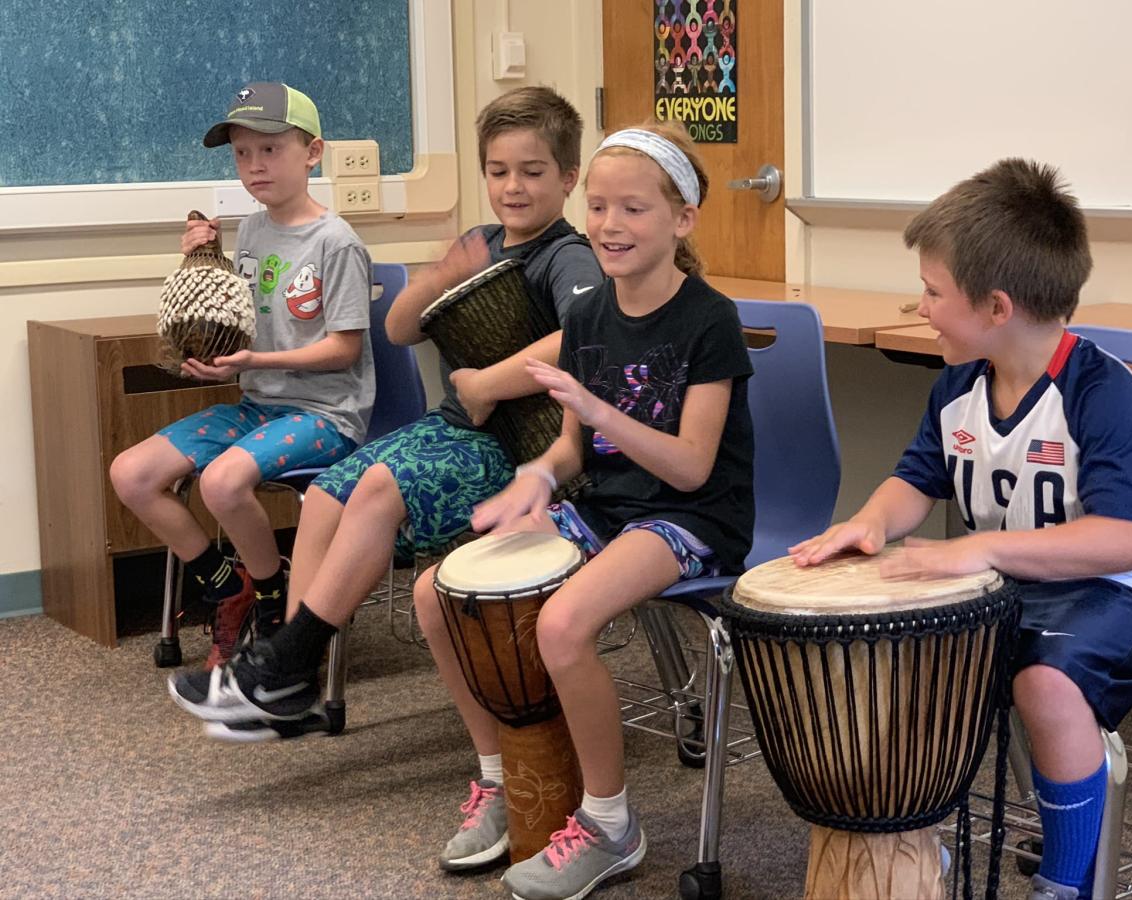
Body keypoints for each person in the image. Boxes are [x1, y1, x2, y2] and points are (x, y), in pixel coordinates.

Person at [790, 159, 1132, 900]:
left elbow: (1120, 540)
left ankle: (1065, 882)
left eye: (933, 291)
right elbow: (917, 479)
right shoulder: (957, 387)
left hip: (1128, 591)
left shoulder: (1104, 394)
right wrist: (868, 524)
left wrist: (975, 548)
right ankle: (914, 844)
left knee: (1043, 682)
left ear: (997, 307)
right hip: (1020, 584)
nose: (919, 307)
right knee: (909, 654)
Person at [166, 86, 603, 739]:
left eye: (533, 172)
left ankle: (285, 665)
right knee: (323, 496)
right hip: (458, 430)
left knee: (375, 486)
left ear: (568, 178)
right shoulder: (485, 240)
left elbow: (587, 334)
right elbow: (400, 329)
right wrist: (433, 280)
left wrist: (487, 382)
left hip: (513, 447)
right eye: (497, 171)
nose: (513, 186)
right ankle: (288, 677)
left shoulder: (565, 254)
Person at [421, 123, 754, 898]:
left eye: (634, 209)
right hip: (606, 506)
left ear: (683, 217)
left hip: (694, 518)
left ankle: (610, 824)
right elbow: (572, 451)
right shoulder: (590, 314)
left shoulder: (710, 321)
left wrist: (602, 415)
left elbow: (692, 464)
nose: (609, 225)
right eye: (599, 206)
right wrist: (536, 479)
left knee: (562, 626)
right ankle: (503, 783)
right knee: (439, 596)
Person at [110, 81, 373, 670]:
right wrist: (198, 262)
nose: (254, 166)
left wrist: (255, 362)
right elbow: (232, 321)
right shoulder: (251, 230)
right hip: (259, 405)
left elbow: (345, 350)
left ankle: (274, 601)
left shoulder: (337, 243)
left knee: (222, 483)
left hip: (325, 414)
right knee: (131, 474)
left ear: (312, 152)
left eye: (270, 150)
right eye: (242, 154)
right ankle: (230, 586)